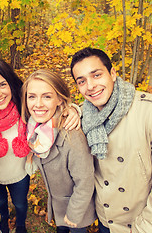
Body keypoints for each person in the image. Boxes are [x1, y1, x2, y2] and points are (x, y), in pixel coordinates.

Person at [70, 47, 152, 233]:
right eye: (81, 81)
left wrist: (145, 228)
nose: (90, 86)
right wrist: (72, 108)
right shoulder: (84, 116)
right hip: (107, 222)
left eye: (96, 75)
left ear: (113, 73)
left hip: (146, 224)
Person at [0, 57, 81, 233]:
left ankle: (20, 224)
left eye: (2, 85)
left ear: (10, 83)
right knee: (0, 202)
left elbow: (51, 107)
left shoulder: (24, 108)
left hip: (19, 175)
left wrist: (73, 109)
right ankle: (4, 217)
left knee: (20, 203)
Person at [21, 69, 96, 233]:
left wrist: (74, 214)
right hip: (58, 205)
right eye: (32, 96)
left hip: (76, 208)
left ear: (60, 100)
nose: (38, 104)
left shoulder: (72, 137)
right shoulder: (34, 128)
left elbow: (85, 182)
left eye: (47, 96)